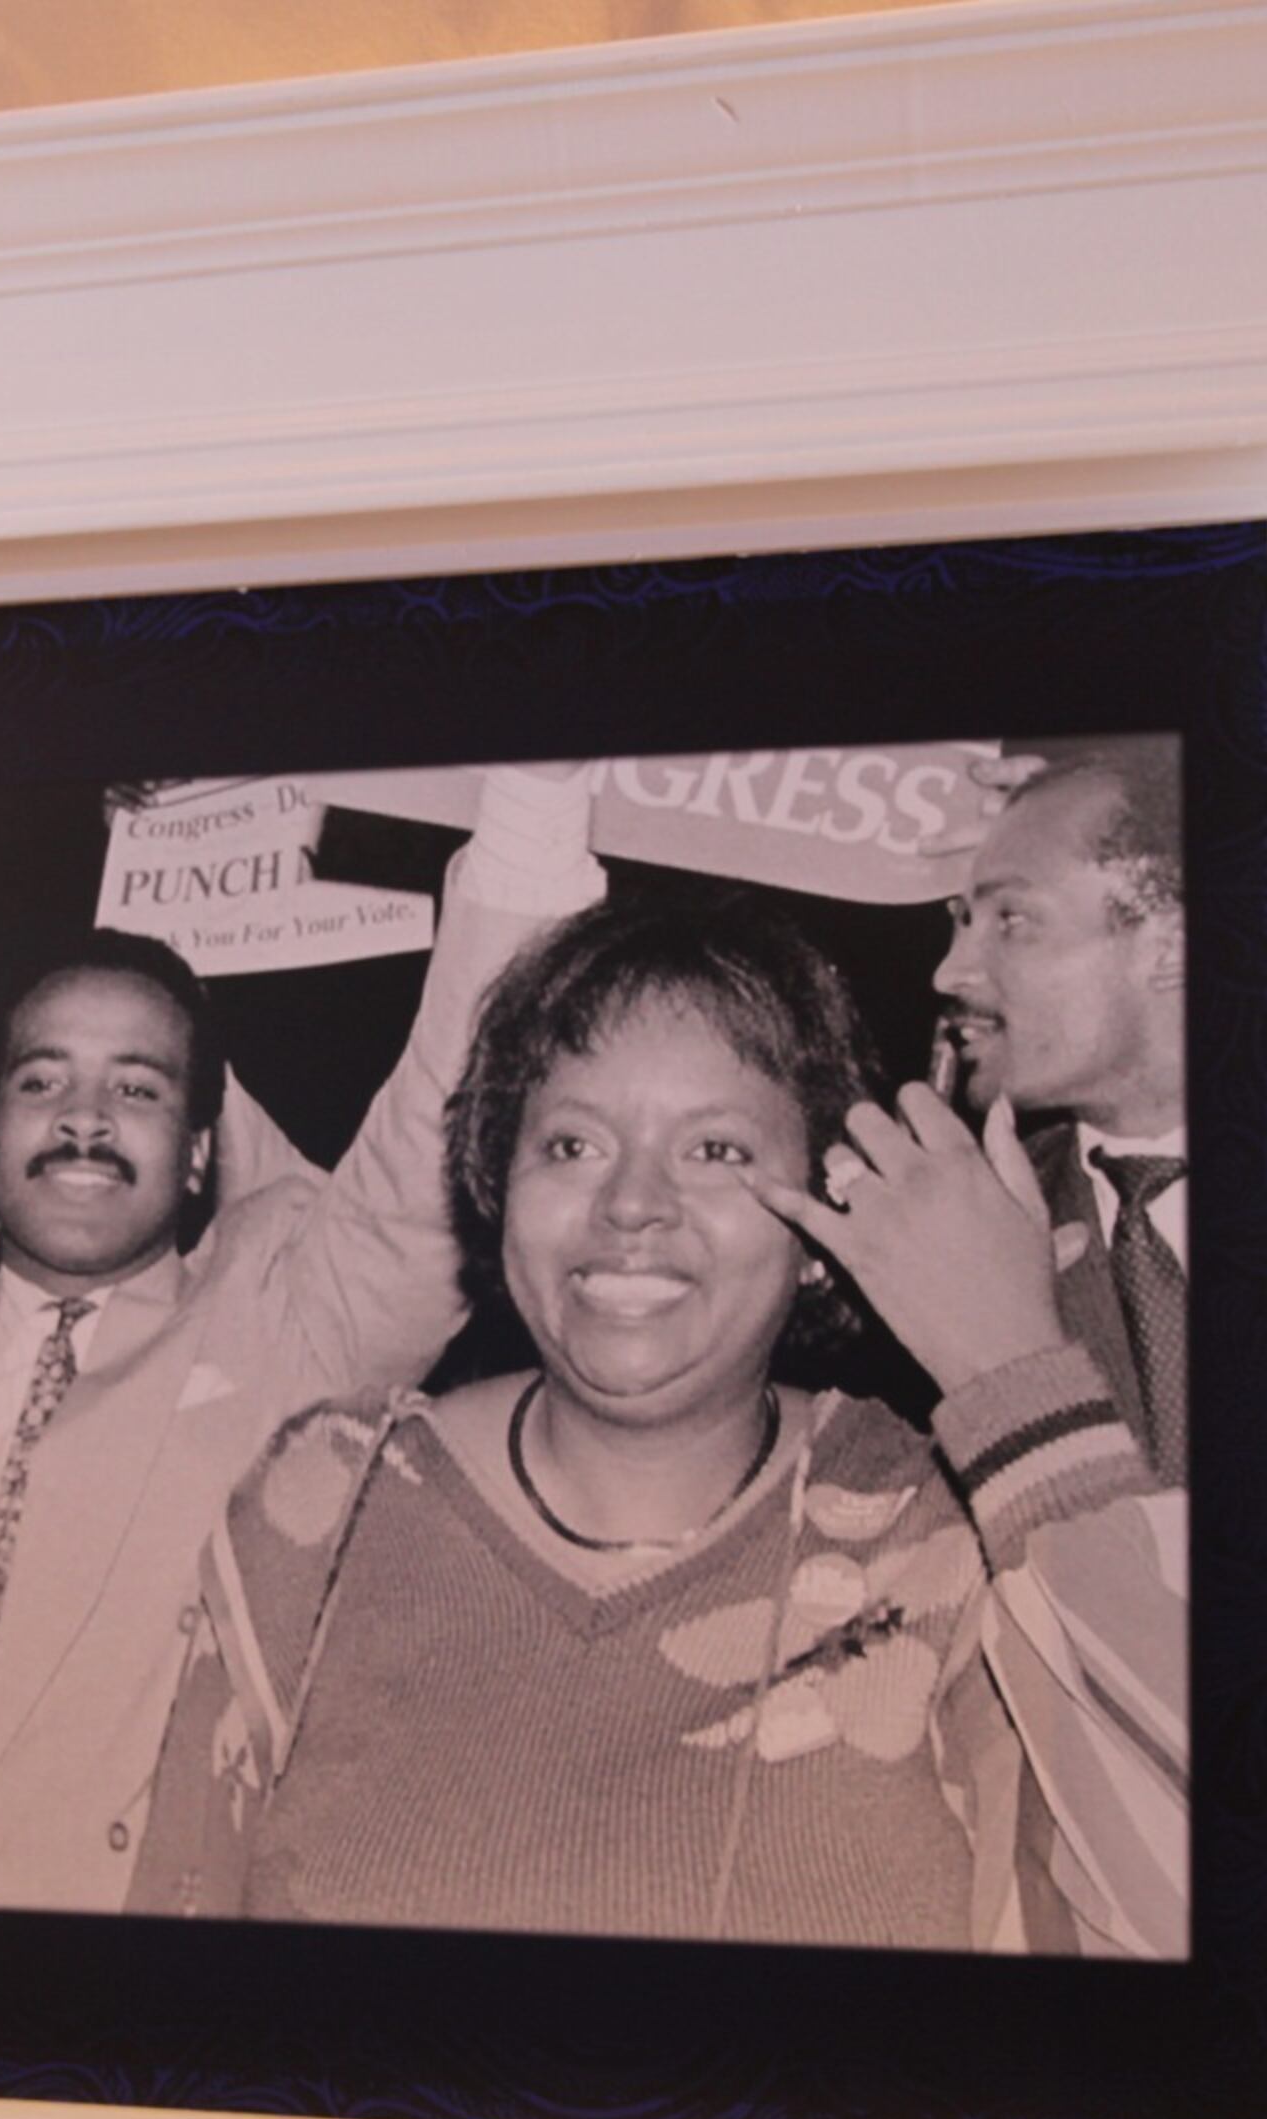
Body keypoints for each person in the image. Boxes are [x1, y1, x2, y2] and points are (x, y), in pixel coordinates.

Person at [130, 892, 1189, 1958]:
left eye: (717, 1150)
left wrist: (1013, 1373)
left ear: (823, 1223)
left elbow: (1189, 1928)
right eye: (574, 1144)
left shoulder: (947, 1546)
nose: (633, 1202)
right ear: (498, 1188)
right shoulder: (323, 1506)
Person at [0, 770, 605, 1912]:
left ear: (200, 1152)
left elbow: (443, 1112)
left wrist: (534, 805)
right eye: (45, 1079)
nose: (85, 1116)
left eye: (137, 1089)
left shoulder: (285, 1319)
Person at [930, 738, 1189, 1483]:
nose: (949, 971)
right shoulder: (964, 1231)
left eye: (1011, 921)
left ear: (1170, 946)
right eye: (960, 922)